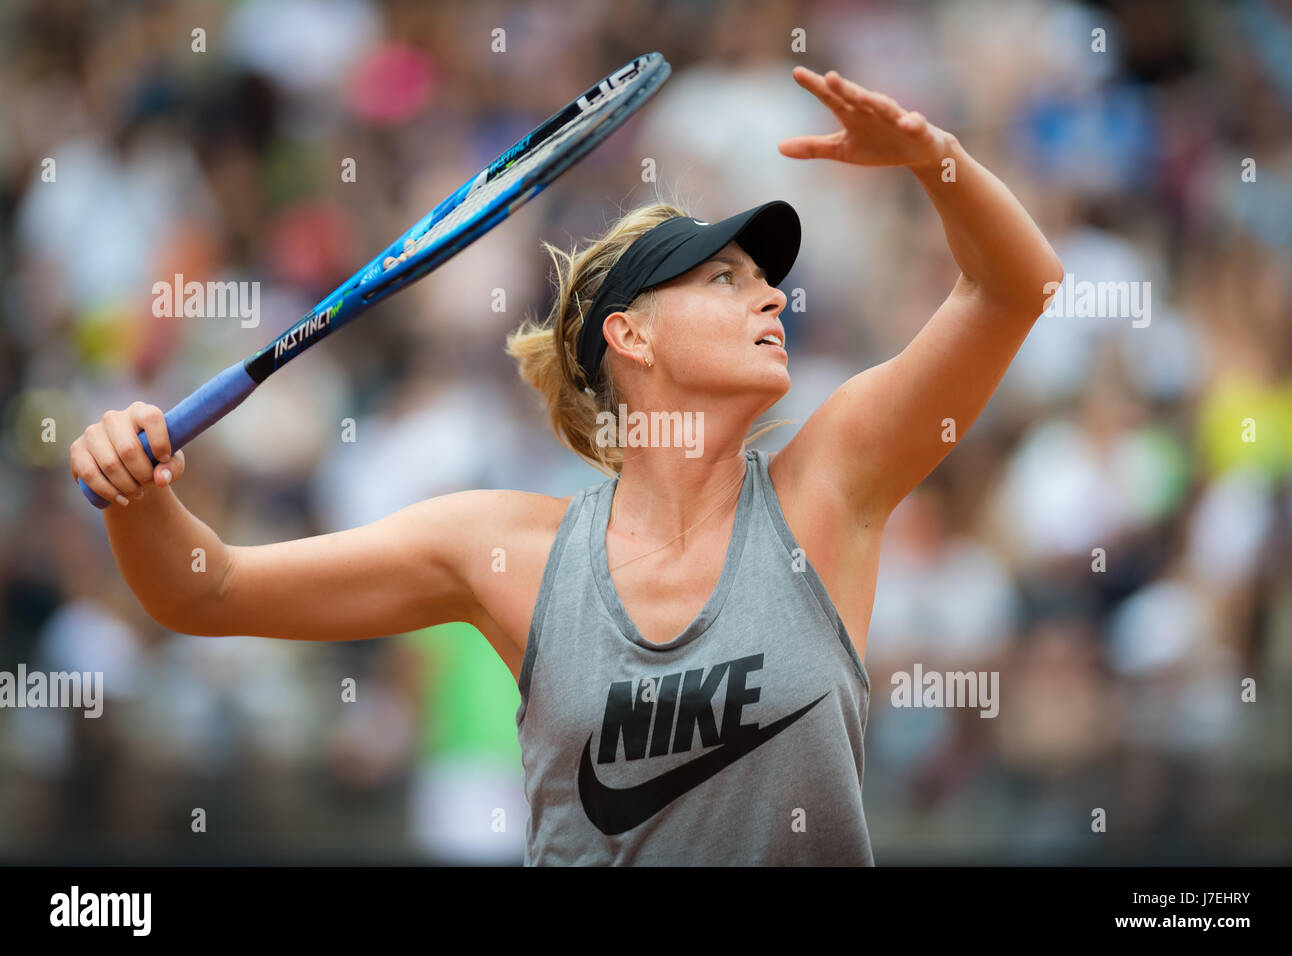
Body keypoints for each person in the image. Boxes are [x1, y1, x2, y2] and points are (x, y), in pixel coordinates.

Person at [70, 67, 1063, 865]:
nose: (771, 300)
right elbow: (209, 591)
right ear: (628, 335)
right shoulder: (503, 550)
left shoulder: (830, 483)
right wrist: (135, 488)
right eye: (726, 278)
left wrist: (934, 160)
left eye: (768, 281)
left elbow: (1017, 285)